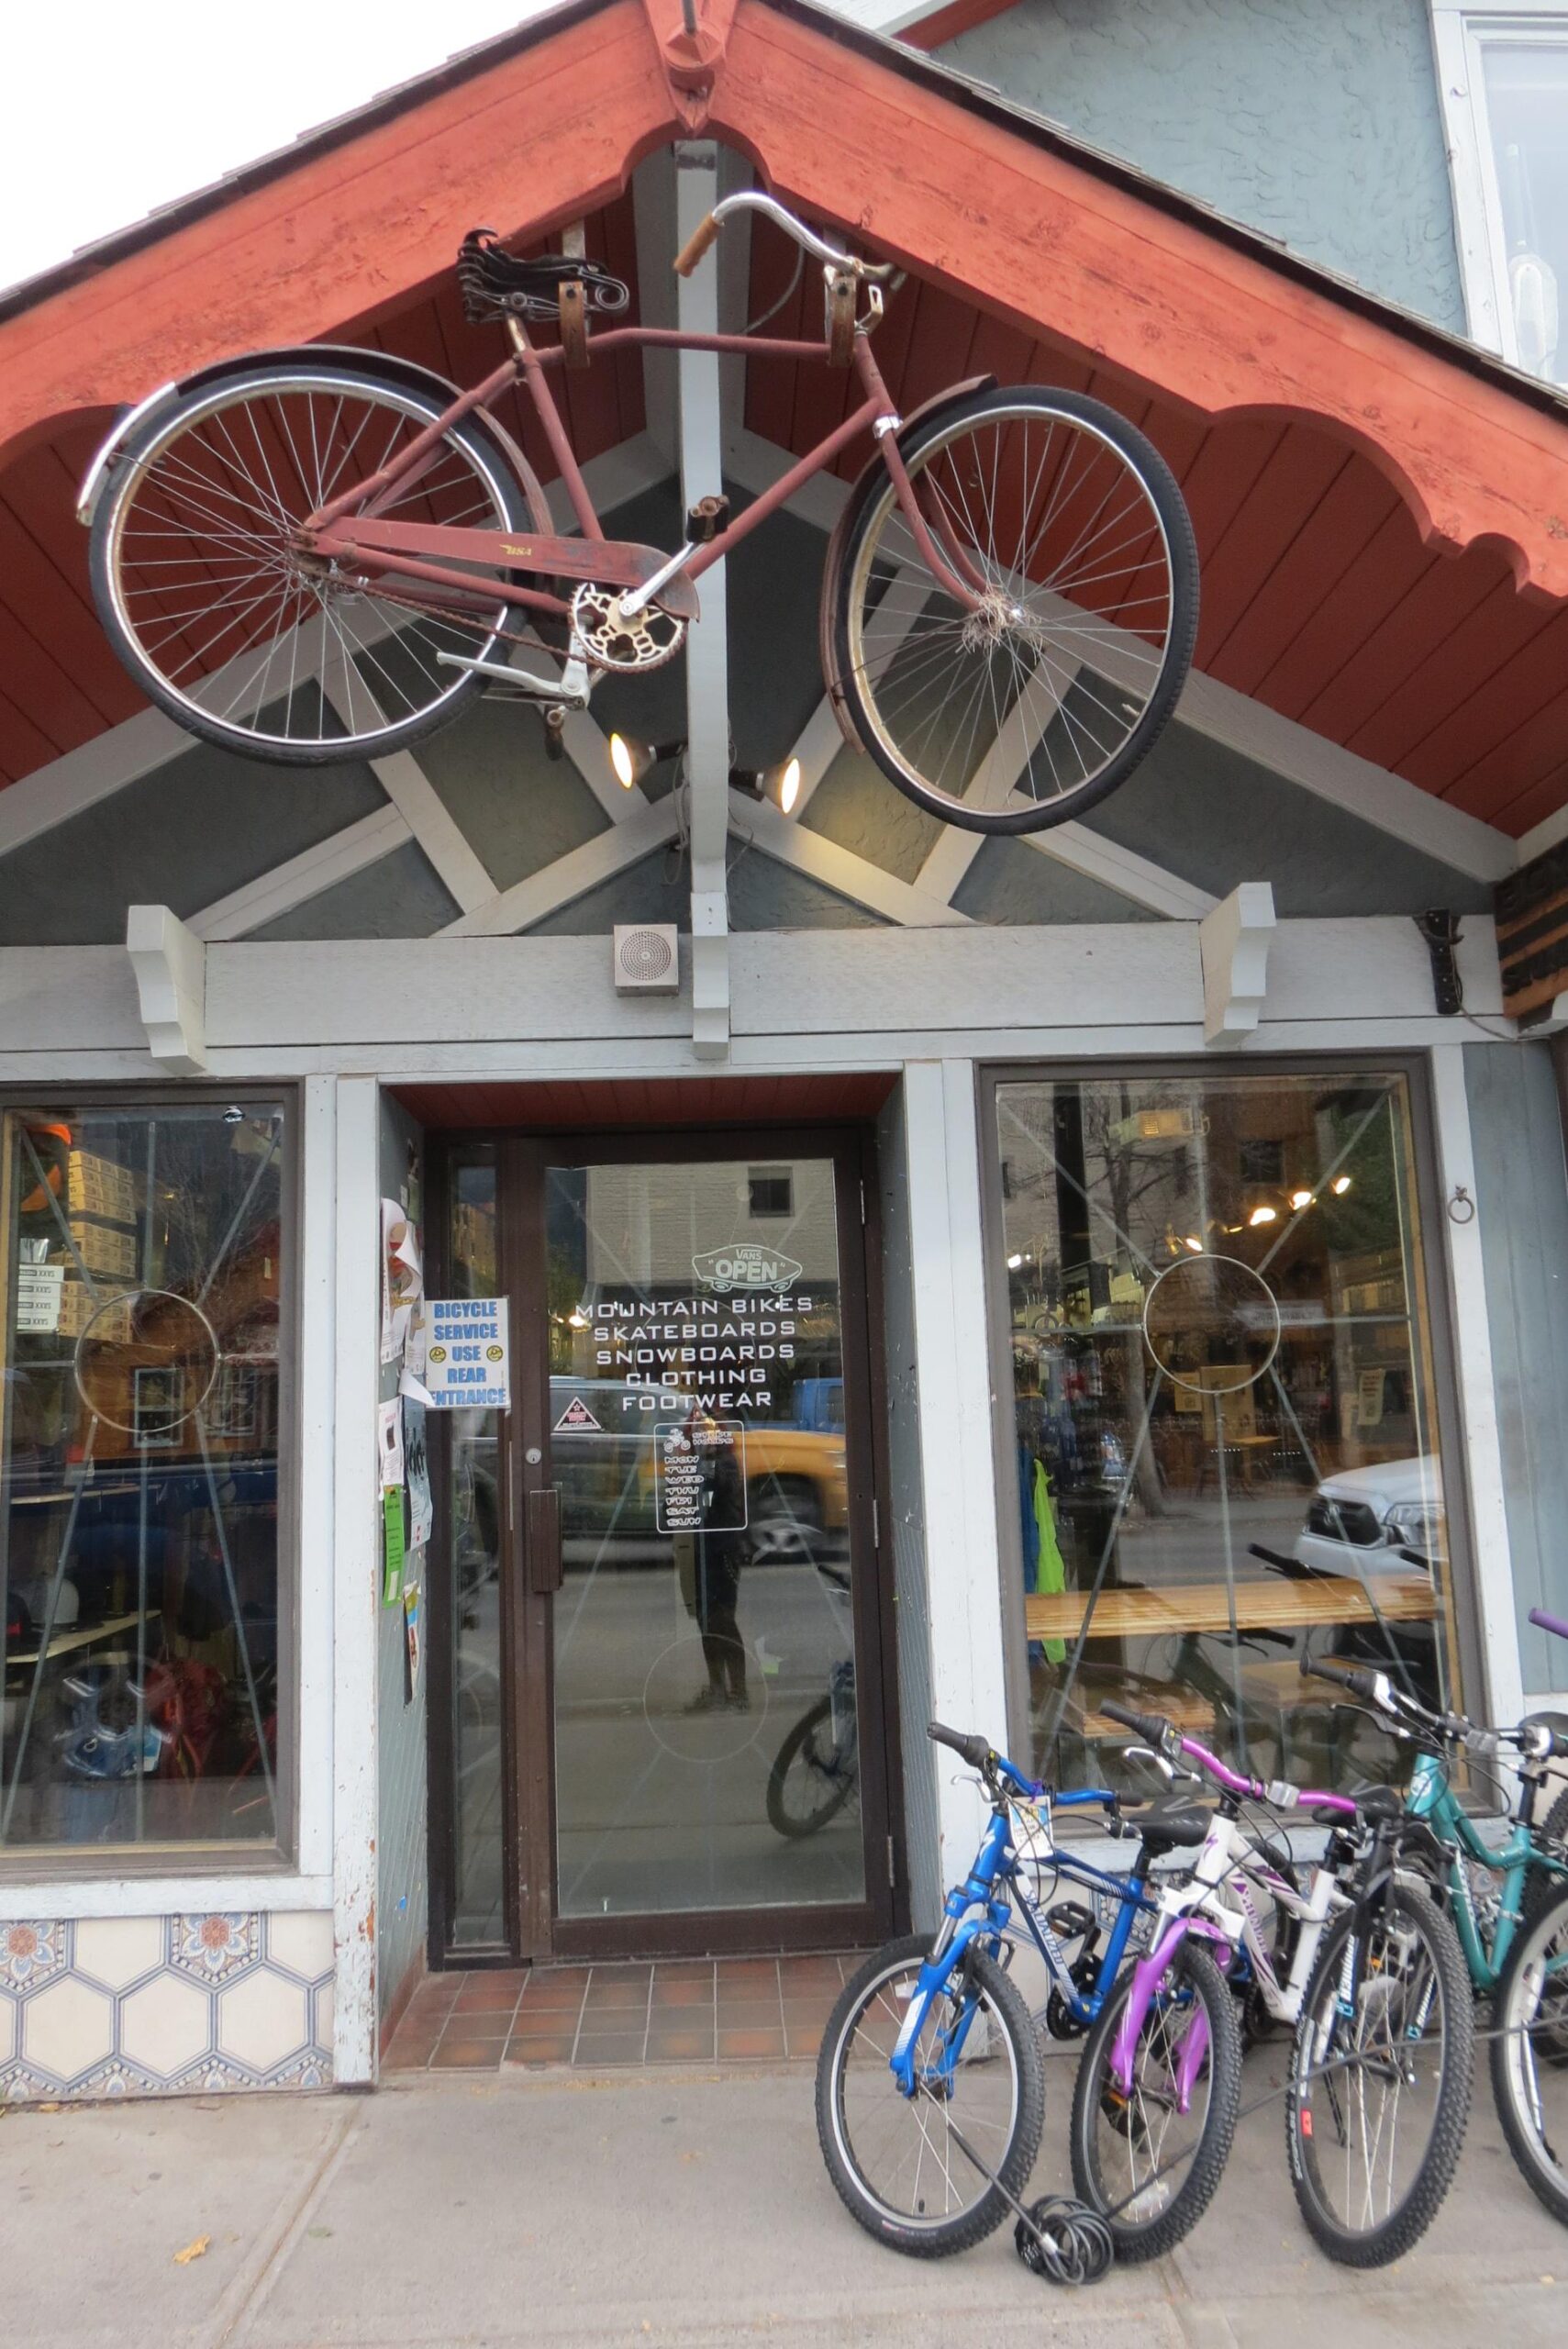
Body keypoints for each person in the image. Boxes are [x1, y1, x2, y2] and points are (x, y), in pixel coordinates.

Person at [680, 1408, 750, 1712]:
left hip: (721, 1550)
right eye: (695, 1430)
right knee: (706, 1621)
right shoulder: (691, 1463)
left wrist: (706, 1459)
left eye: (705, 1430)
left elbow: (712, 1493)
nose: (700, 1436)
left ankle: (738, 1691)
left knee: (723, 1619)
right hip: (698, 1548)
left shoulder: (724, 1463)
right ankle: (717, 1688)